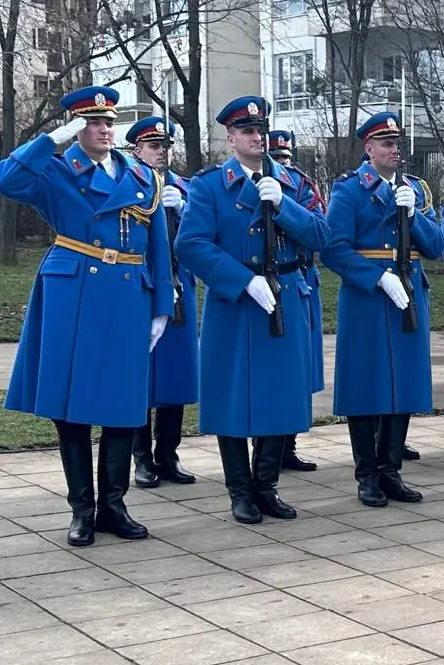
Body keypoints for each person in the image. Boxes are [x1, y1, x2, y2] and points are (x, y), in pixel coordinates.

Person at [0, 86, 174, 546]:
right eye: (93, 122)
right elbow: (4, 181)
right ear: (77, 127)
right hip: (73, 293)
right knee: (70, 409)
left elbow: (157, 245)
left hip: (128, 295)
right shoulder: (55, 170)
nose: (105, 129)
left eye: (109, 122)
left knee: (123, 404)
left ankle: (114, 505)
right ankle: (82, 509)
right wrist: (50, 140)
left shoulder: (140, 175)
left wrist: (161, 306)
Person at [175, 95, 328, 525]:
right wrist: (242, 280)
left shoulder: (293, 183)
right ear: (230, 138)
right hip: (237, 301)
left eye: (260, 130)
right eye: (246, 131)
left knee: (280, 395)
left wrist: (283, 204)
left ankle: (267, 486)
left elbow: (322, 235)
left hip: (286, 295)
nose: (256, 137)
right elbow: (190, 245)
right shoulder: (208, 186)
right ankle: (239, 490)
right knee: (232, 396)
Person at [323, 112, 442, 508]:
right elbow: (334, 249)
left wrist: (414, 214)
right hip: (369, 296)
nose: (394, 150)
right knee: (365, 385)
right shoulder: (349, 190)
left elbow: (437, 246)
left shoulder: (411, 190)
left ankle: (391, 470)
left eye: (397, 144)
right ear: (368, 148)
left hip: (408, 293)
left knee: (402, 384)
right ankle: (367, 475)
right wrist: (376, 277)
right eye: (386, 144)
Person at [126, 116, 198, 490]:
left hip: (180, 286)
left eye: (165, 147)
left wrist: (183, 210)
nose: (161, 153)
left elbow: (200, 238)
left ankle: (168, 455)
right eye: (154, 146)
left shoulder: (182, 187)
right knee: (143, 378)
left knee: (174, 377)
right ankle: (142, 459)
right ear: (136, 150)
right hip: (143, 286)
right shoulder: (130, 185)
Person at [268, 129, 329, 469]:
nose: (283, 165)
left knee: (299, 371)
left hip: (300, 278)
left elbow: (318, 231)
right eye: (277, 159)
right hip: (270, 279)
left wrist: (283, 204)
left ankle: (287, 446)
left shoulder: (300, 187)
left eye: (286, 159)